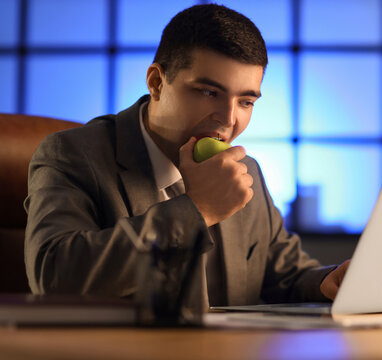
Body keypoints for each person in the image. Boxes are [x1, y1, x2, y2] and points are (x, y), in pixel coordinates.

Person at [24, 4, 348, 308]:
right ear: (156, 83)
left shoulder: (245, 171)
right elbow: (53, 277)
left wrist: (329, 281)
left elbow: (286, 276)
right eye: (209, 92)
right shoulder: (72, 155)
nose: (229, 118)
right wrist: (197, 210)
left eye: (246, 102)